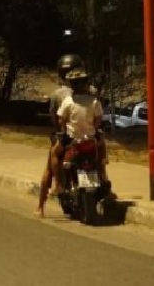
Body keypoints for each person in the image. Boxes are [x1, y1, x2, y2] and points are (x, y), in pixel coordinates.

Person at [48, 69, 110, 198]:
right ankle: (103, 176)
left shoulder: (68, 101)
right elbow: (98, 118)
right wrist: (94, 127)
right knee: (101, 150)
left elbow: (61, 119)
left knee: (54, 152)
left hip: (72, 139)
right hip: (90, 138)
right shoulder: (94, 101)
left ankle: (57, 183)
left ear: (71, 85)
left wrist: (64, 130)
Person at [36, 53, 84, 216]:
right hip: (87, 136)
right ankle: (104, 180)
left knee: (50, 165)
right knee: (99, 157)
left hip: (67, 136)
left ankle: (41, 205)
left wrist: (61, 130)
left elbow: (55, 118)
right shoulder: (91, 90)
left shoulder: (58, 94)